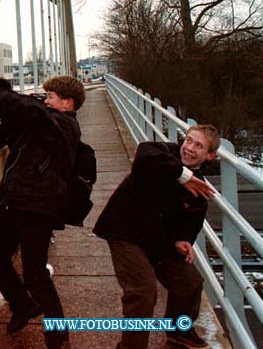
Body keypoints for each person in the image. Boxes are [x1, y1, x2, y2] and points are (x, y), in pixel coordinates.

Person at [0, 76, 86, 349]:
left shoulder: (64, 125)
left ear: (67, 103)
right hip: (13, 200)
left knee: (36, 275)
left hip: (38, 206)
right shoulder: (42, 121)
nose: (45, 100)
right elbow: (13, 122)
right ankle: (23, 305)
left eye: (50, 96)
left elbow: (30, 110)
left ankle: (59, 338)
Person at [93, 125, 219, 349]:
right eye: (188, 141)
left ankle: (178, 333)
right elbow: (143, 156)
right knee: (143, 291)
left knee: (190, 283)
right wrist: (181, 174)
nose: (189, 148)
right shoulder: (163, 154)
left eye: (198, 146)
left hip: (158, 241)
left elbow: (190, 220)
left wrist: (183, 239)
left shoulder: (200, 189)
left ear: (210, 155)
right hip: (125, 231)